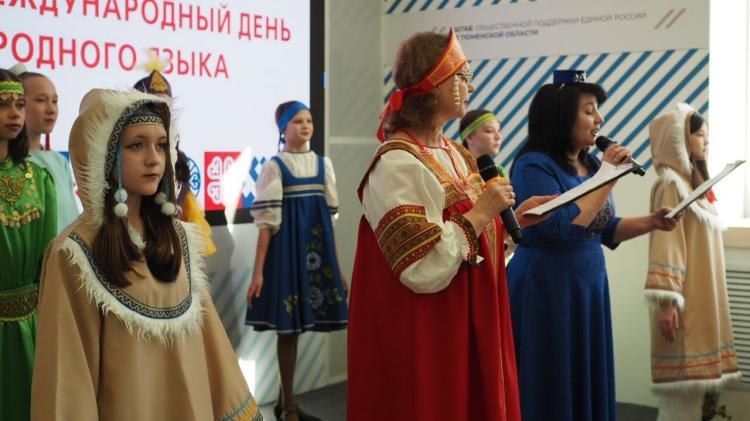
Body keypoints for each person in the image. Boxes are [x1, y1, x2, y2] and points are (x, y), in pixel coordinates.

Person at [347, 29, 554, 421]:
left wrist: (512, 221)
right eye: (462, 76)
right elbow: (420, 268)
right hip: (430, 336)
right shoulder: (396, 163)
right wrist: (480, 214)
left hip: (469, 325)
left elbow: (472, 247)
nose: (470, 86)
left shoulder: (457, 154)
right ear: (433, 82)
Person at [30, 89, 261, 421]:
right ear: (101, 155)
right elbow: (67, 376)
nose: (154, 159)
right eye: (136, 145)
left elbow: (211, 344)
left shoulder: (177, 237)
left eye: (161, 145)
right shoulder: (75, 252)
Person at [506, 69, 678, 421]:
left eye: (597, 110)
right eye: (589, 110)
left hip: (587, 286)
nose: (599, 119)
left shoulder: (590, 163)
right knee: (550, 378)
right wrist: (608, 177)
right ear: (561, 115)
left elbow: (602, 228)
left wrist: (652, 221)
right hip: (547, 287)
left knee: (585, 375)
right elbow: (561, 227)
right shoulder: (532, 164)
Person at [245, 100, 348, 421]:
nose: (306, 126)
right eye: (298, 121)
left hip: (315, 255)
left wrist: (338, 268)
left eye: (309, 120)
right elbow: (266, 225)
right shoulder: (274, 167)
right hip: (286, 256)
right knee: (288, 330)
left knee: (296, 328)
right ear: (283, 129)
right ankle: (289, 406)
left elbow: (329, 221)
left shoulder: (323, 165)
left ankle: (283, 401)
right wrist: (258, 273)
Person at [645, 104, 740, 420]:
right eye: (699, 134)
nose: (706, 141)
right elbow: (667, 244)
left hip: (703, 298)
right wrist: (667, 302)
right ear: (678, 139)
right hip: (684, 301)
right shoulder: (671, 185)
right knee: (681, 396)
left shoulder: (696, 188)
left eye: (706, 134)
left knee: (696, 397)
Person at [0, 68, 57, 421]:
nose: (14, 113)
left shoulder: (40, 178)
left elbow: (50, 258)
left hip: (33, 325)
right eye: (3, 104)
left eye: (19, 104)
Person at [133, 63, 216, 256]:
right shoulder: (130, 159)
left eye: (169, 106)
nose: (166, 113)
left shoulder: (180, 158)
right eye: (156, 106)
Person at [11, 64, 79, 232]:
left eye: (54, 101)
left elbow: (72, 218)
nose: (51, 109)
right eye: (41, 100)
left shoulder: (59, 161)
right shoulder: (9, 163)